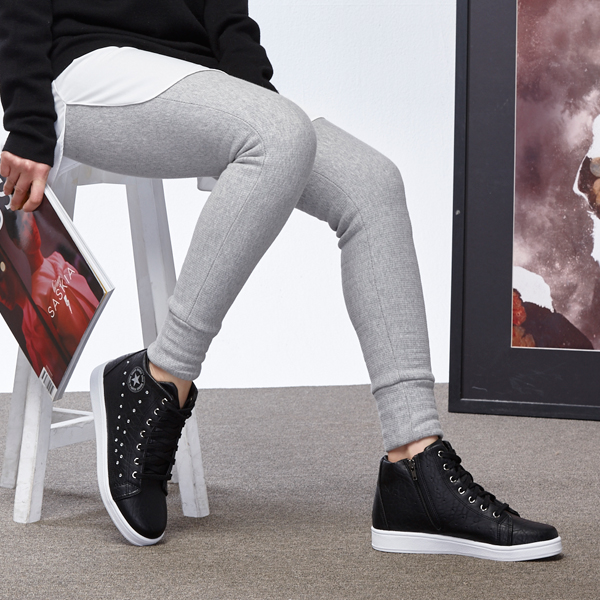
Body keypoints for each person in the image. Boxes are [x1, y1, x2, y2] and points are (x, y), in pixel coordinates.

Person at [0, 1, 561, 560]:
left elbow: (225, 9)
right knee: (280, 133)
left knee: (372, 184)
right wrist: (27, 121)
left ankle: (413, 465)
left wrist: (256, 99)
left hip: (193, 73)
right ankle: (159, 377)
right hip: (84, 65)